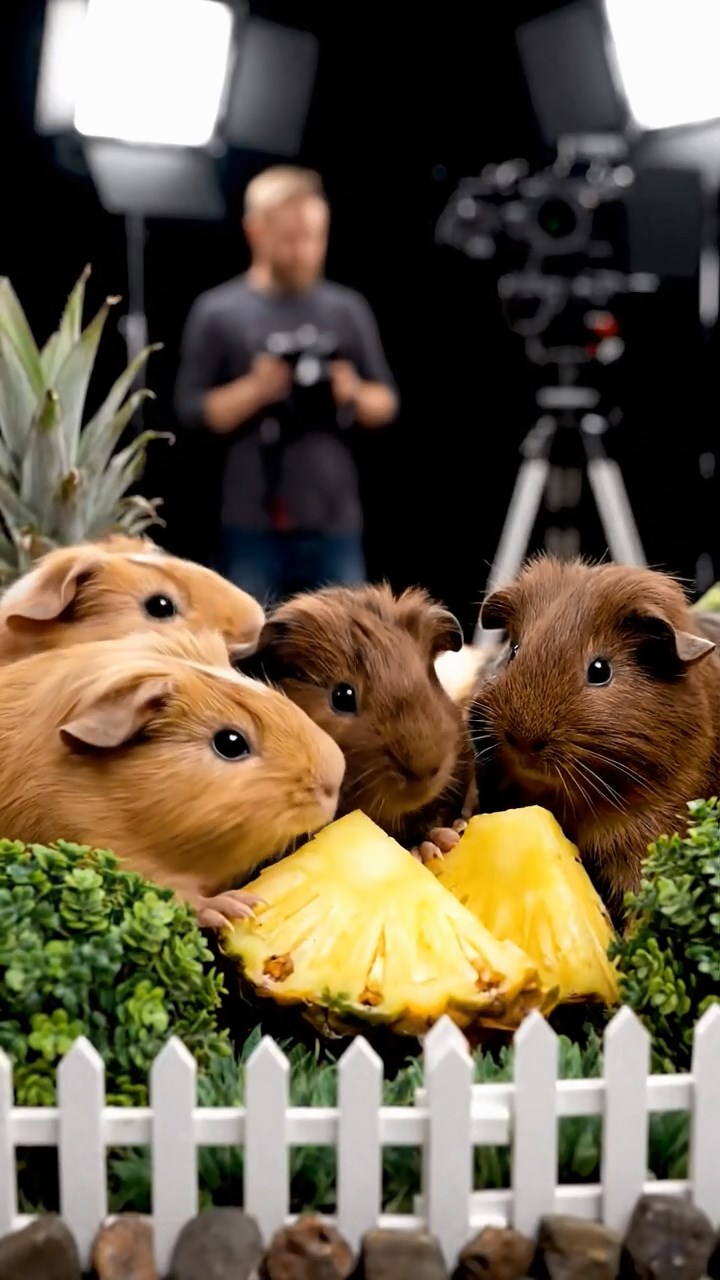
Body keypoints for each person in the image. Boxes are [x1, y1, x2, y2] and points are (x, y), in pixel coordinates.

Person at [173, 166, 399, 602]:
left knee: (345, 652)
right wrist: (258, 388)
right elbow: (193, 410)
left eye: (315, 237)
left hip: (334, 518)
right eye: (291, 238)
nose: (305, 251)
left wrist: (349, 390)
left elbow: (386, 402)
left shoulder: (345, 309)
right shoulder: (219, 312)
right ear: (255, 231)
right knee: (250, 651)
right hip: (251, 520)